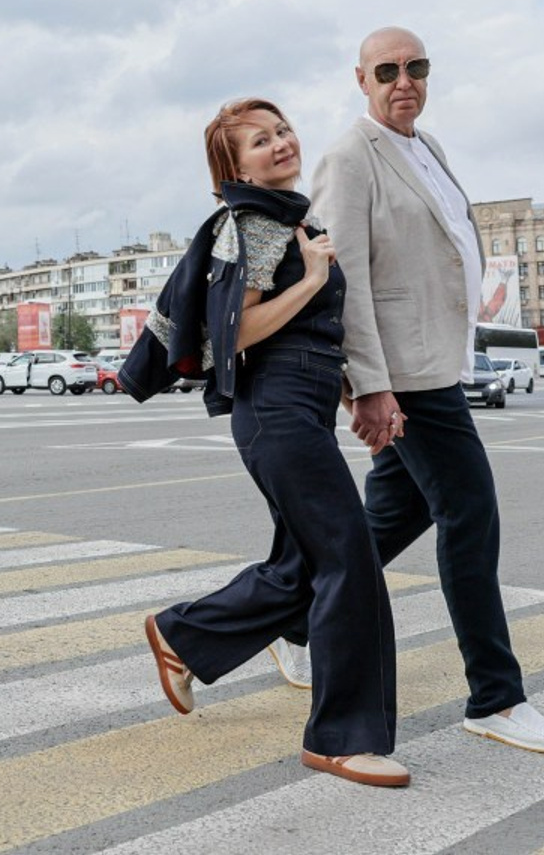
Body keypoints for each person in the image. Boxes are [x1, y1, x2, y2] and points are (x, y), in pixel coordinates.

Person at [128, 98, 408, 788]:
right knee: (350, 563)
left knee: (307, 564)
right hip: (276, 412)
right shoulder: (253, 222)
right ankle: (340, 739)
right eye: (260, 141)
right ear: (234, 166)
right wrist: (313, 276)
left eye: (282, 130)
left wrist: (351, 395)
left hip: (298, 409)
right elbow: (238, 334)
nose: (281, 144)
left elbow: (310, 332)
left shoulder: (290, 217)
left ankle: (184, 635)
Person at [285, 26, 544, 753]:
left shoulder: (425, 147)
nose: (406, 81)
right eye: (389, 70)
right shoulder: (348, 158)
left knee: (386, 521)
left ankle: (281, 619)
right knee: (470, 511)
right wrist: (367, 385)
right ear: (362, 79)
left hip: (438, 358)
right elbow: (346, 280)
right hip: (405, 373)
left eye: (418, 68)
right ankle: (494, 696)